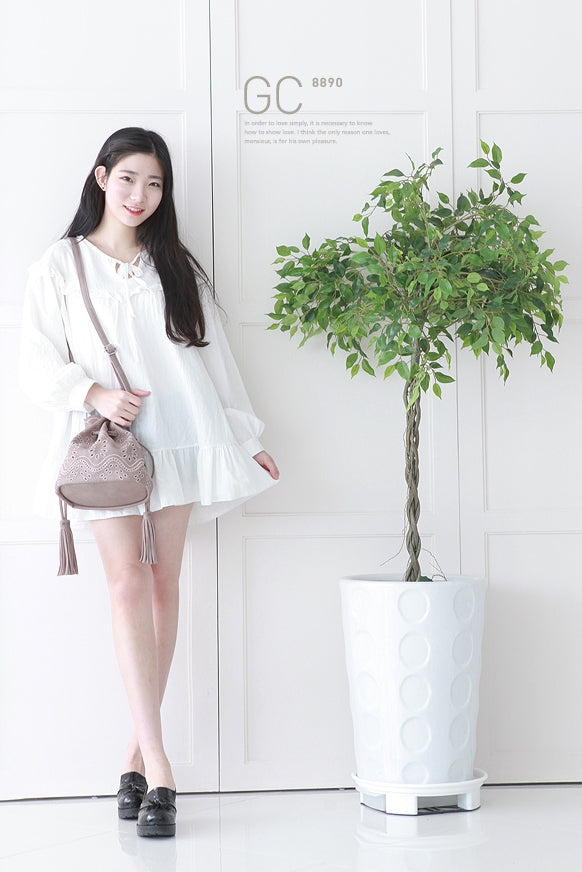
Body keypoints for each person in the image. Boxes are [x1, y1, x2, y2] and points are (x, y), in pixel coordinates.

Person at [19, 127, 279, 837]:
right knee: (127, 585)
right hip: (110, 446)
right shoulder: (62, 264)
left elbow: (211, 359)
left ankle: (136, 758)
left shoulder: (173, 264)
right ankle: (161, 764)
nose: (141, 195)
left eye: (155, 183)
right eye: (130, 178)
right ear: (101, 177)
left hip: (184, 436)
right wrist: (92, 394)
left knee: (164, 588)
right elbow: (35, 358)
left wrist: (246, 439)